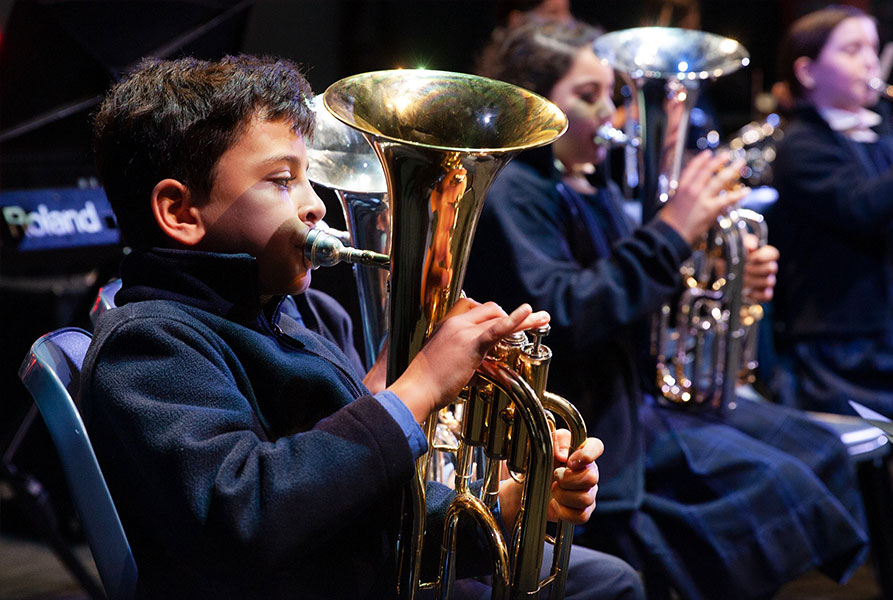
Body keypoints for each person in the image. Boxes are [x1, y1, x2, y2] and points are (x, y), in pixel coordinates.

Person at [79, 55, 643, 599]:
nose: (315, 204)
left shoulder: (282, 320)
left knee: (609, 579)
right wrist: (416, 388)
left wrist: (508, 507)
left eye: (307, 178)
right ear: (180, 213)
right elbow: (250, 513)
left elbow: (361, 515)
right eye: (281, 180)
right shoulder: (148, 344)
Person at [465, 19, 870, 600]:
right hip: (593, 420)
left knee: (820, 453)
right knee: (779, 485)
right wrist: (673, 231)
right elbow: (566, 311)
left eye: (614, 94)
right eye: (588, 95)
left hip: (632, 400)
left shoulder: (584, 180)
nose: (610, 113)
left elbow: (628, 295)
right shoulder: (514, 191)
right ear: (535, 106)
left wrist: (721, 281)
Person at [767, 5, 893, 418]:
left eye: (873, 49)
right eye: (852, 49)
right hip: (840, 347)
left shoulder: (882, 136)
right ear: (807, 73)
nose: (870, 61)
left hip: (887, 332)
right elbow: (860, 206)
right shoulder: (802, 146)